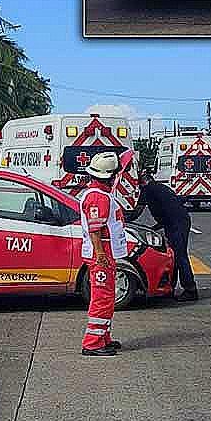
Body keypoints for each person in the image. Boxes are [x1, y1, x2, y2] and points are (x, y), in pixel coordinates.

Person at [78, 152, 128, 356]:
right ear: (110, 176)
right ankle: (93, 343)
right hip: (102, 254)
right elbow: (95, 228)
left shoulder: (99, 194)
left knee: (106, 296)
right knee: (102, 298)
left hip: (104, 252)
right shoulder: (98, 196)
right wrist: (100, 254)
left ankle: (103, 337)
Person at [138, 168, 198, 302]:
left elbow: (137, 211)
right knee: (173, 255)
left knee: (179, 255)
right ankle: (170, 288)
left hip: (177, 223)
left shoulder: (148, 190)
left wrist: (125, 220)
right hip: (176, 221)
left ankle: (190, 289)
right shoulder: (159, 187)